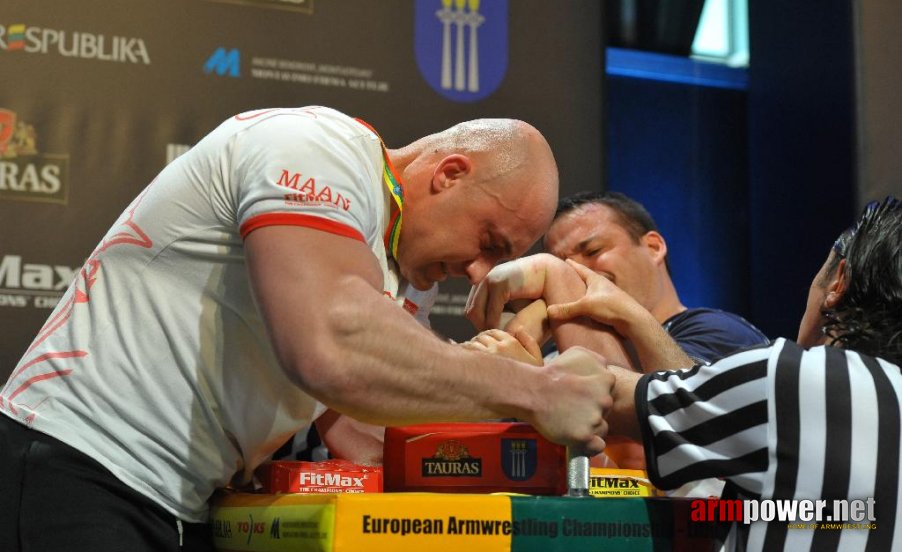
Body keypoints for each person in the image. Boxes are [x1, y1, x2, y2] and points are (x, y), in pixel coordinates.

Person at [0, 106, 614, 552]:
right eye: (488, 242)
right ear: (449, 172)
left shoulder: (389, 273)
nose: (478, 272)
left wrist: (537, 408)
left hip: (170, 502)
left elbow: (370, 435)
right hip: (75, 461)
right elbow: (329, 344)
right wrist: (534, 391)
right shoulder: (319, 145)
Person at [559, 196, 902, 551]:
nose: (574, 267)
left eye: (592, 249)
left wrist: (554, 286)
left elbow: (601, 403)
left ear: (837, 283)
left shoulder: (788, 377)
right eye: (561, 260)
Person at [543, 191, 768, 366]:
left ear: (653, 247)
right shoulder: (556, 356)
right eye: (561, 266)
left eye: (593, 251)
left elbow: (679, 407)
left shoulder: (720, 332)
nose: (574, 271)